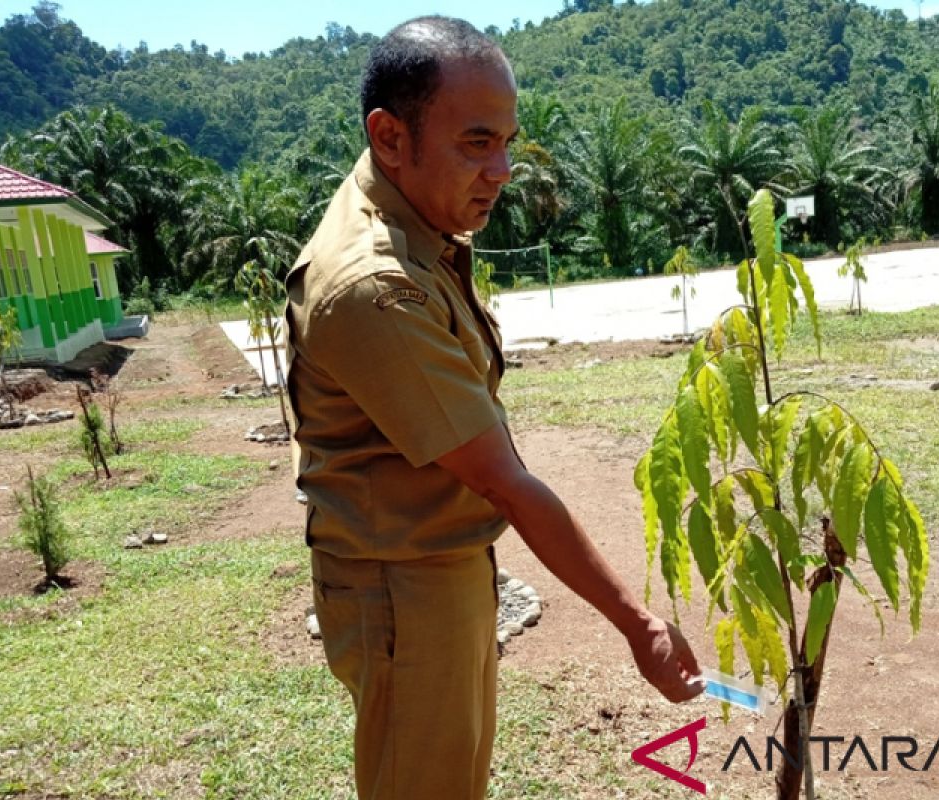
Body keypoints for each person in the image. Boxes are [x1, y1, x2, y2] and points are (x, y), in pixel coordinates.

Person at [283, 16, 704, 800]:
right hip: (403, 591)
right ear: (391, 136)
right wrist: (637, 624)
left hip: (434, 570)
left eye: (507, 141)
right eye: (476, 142)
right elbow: (504, 481)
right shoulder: (375, 284)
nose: (503, 168)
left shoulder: (417, 224)